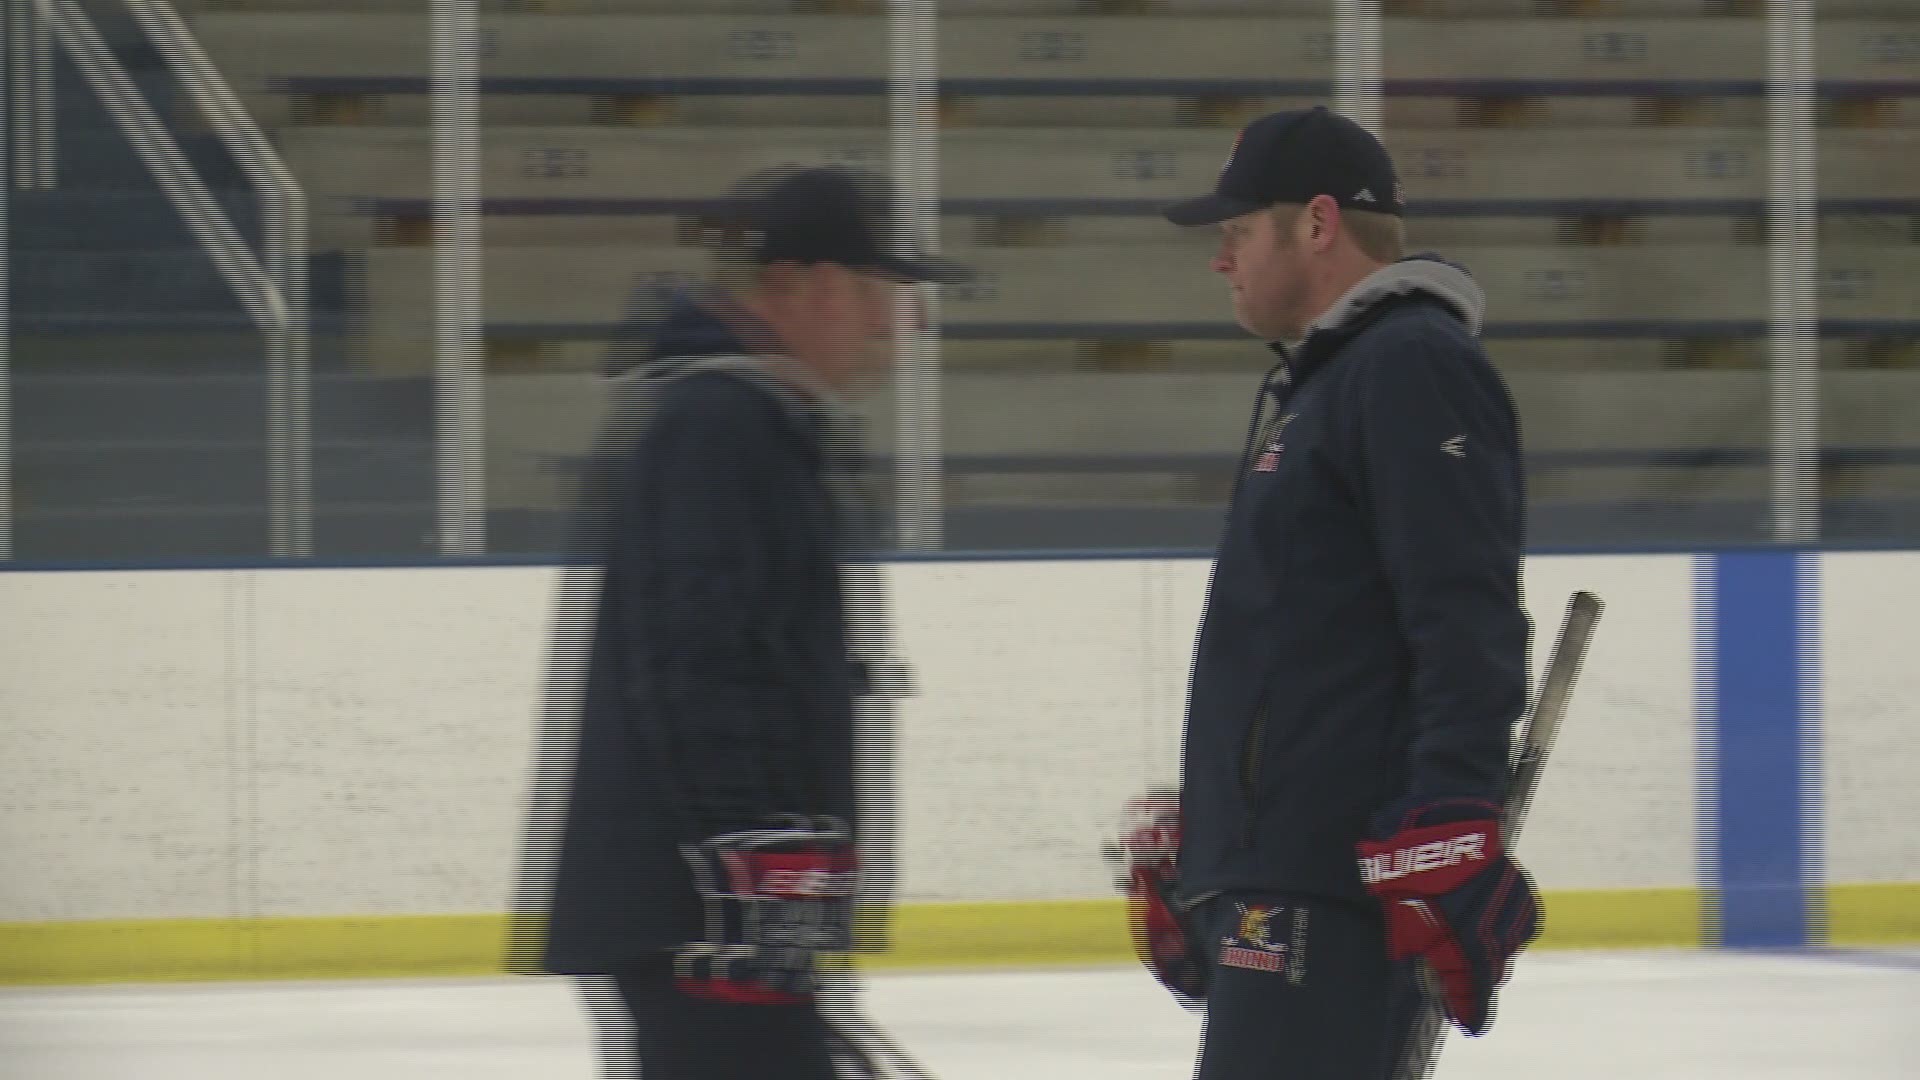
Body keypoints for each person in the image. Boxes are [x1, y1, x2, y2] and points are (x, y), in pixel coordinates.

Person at [510, 165, 963, 1080]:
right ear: (816, 284)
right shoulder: (719, 426)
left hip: (717, 914)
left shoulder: (747, 420)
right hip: (704, 922)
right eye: (880, 294)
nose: (892, 326)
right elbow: (697, 659)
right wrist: (747, 869)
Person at [1115, 107, 1539, 1080]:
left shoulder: (1411, 366)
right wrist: (1216, 847)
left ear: (1315, 225)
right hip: (1284, 882)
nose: (1221, 261)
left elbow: (1462, 614)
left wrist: (1449, 813)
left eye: (1236, 232)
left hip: (1337, 892)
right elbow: (1303, 659)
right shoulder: (1320, 387)